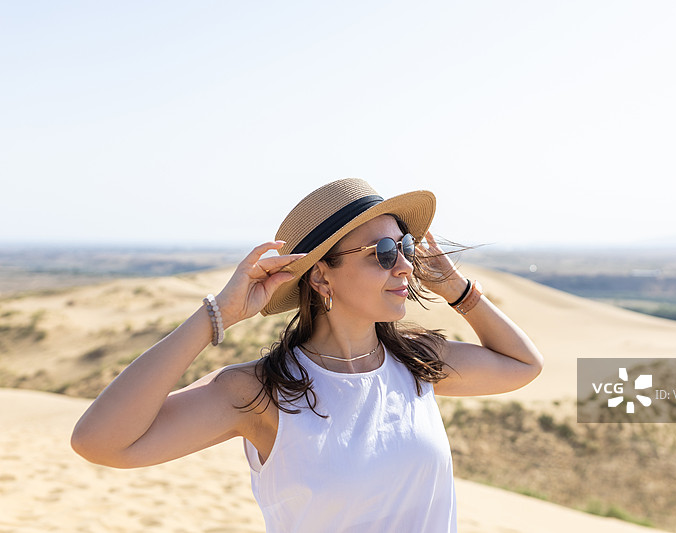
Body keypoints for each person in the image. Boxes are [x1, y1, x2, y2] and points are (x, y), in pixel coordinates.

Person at [71, 178, 543, 532]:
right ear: (321, 277)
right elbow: (100, 442)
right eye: (382, 251)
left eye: (405, 246)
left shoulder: (417, 363)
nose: (403, 264)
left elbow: (524, 365)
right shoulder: (258, 393)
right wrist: (218, 315)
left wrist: (457, 289)